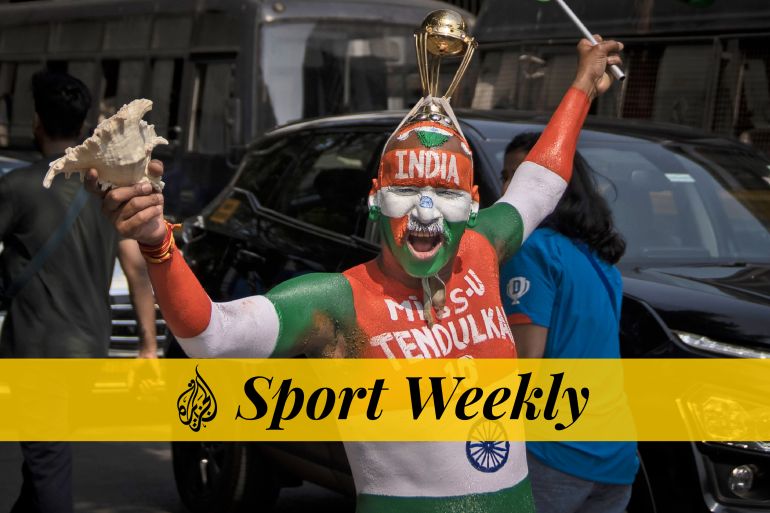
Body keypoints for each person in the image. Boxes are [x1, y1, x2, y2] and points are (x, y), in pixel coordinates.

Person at [94, 37, 623, 513]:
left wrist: (581, 84)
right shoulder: (338, 303)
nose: (425, 213)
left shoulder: (481, 253)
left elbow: (539, 183)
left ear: (473, 204)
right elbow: (212, 336)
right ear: (375, 201)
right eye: (407, 193)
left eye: (445, 194)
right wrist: (157, 240)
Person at [0, 70, 158, 513]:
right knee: (43, 460)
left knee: (48, 462)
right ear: (84, 125)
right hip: (91, 348)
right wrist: (149, 347)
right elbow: (136, 269)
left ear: (36, 122)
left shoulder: (19, 186)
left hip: (37, 354)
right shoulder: (106, 187)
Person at [499, 132, 639, 512]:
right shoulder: (599, 260)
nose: (508, 188)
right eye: (506, 175)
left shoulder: (532, 250)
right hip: (615, 453)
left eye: (521, 177)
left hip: (554, 453)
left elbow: (524, 359)